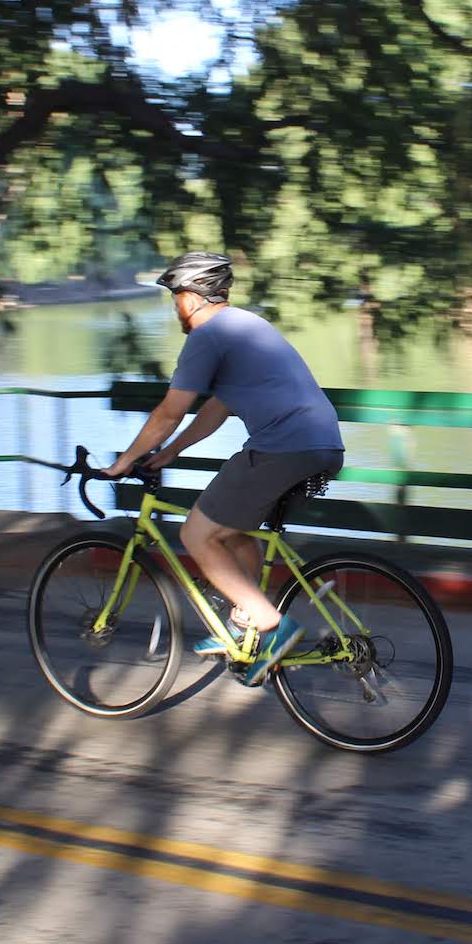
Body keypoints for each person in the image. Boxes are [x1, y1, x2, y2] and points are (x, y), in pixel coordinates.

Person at [105, 252, 345, 685]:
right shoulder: (248, 326)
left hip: (283, 446)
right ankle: (243, 627)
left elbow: (169, 410)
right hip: (322, 442)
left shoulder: (207, 336)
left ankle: (269, 625)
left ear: (193, 298)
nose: (175, 306)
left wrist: (122, 462)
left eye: (176, 296)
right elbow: (217, 408)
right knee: (231, 532)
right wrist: (172, 451)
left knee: (196, 534)